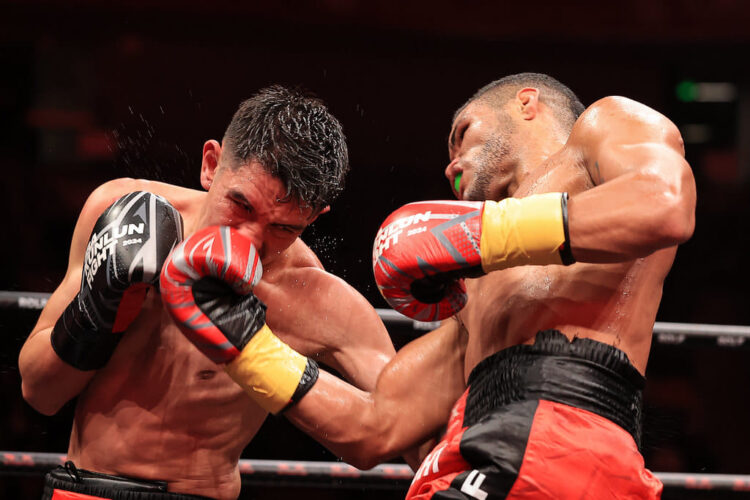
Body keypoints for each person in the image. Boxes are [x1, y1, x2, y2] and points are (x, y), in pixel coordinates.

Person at [169, 73, 696, 499]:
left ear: (527, 103)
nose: (450, 164)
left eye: (462, 133)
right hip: (483, 452)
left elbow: (664, 203)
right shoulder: (478, 292)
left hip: (558, 442)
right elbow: (375, 428)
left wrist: (481, 232)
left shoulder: (603, 126)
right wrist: (245, 344)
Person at [18, 85, 397, 500]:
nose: (251, 241)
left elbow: (394, 427)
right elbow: (39, 393)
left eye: (285, 228)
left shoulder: (314, 298)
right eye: (241, 205)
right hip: (84, 488)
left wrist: (266, 354)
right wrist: (97, 310)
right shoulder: (121, 212)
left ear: (315, 216)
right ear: (211, 165)